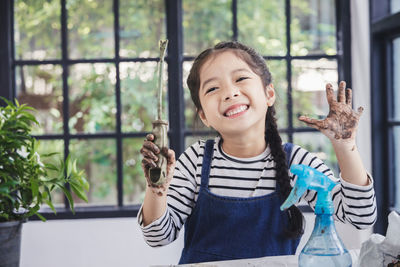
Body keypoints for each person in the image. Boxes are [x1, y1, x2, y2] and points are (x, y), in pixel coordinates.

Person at [138, 41, 376, 264]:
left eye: (240, 78)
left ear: (268, 94)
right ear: (204, 116)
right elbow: (158, 237)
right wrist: (156, 189)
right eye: (212, 88)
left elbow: (360, 216)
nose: (230, 93)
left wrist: (346, 147)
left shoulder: (295, 161)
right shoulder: (196, 159)